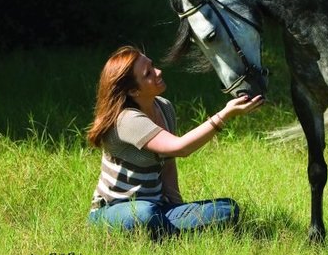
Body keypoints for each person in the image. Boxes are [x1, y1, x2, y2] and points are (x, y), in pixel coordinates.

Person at [86, 45, 263, 239]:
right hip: (115, 210)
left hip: (159, 208)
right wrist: (224, 115)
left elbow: (168, 162)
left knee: (227, 209)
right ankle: (167, 232)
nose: (159, 72)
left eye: (152, 65)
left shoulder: (164, 107)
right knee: (145, 213)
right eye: (148, 73)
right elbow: (180, 148)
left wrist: (178, 206)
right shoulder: (126, 120)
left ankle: (164, 232)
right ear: (134, 90)